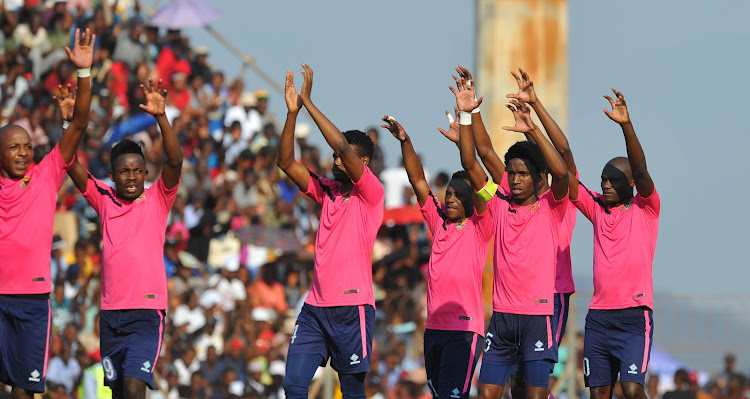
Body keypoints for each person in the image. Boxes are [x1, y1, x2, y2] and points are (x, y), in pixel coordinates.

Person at [448, 72, 570, 399]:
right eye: (511, 173)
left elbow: (561, 171)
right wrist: (467, 113)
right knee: (486, 393)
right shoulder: (498, 202)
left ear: (537, 178)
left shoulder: (551, 207)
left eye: (522, 174)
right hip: (502, 320)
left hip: (536, 319)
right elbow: (474, 159)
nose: (514, 180)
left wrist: (532, 129)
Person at [64, 78, 183, 399]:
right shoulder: (104, 198)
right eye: (124, 172)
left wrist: (161, 118)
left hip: (146, 313)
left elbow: (175, 162)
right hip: (110, 314)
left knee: (134, 388)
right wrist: (68, 122)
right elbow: (69, 164)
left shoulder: (158, 197)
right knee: (118, 393)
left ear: (145, 173)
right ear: (113, 175)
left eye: (136, 171)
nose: (131, 177)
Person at [276, 64, 384, 399]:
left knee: (352, 390)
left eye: (342, 157)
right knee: (293, 385)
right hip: (315, 308)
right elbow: (286, 163)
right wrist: (293, 113)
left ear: (361, 163)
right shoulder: (327, 190)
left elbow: (343, 146)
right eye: (335, 156)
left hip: (352, 308)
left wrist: (309, 101)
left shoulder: (371, 193)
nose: (335, 160)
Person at [0, 27, 94, 399]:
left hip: (33, 301)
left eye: (27, 146)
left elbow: (81, 125)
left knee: (24, 390)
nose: (24, 153)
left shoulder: (45, 176)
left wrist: (84, 74)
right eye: (14, 148)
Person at [381, 115, 491, 399]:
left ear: (470, 201)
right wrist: (406, 142)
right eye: (449, 194)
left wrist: (463, 141)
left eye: (457, 195)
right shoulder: (438, 221)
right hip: (433, 329)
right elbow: (417, 179)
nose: (450, 199)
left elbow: (482, 187)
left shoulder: (481, 225)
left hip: (464, 330)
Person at [570, 89, 659, 399]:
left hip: (635, 315)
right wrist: (535, 118)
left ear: (630, 183)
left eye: (613, 180)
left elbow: (642, 170)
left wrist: (626, 125)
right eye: (603, 180)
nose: (605, 185)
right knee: (599, 394)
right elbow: (565, 173)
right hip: (599, 317)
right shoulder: (596, 208)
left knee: (632, 389)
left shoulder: (645, 208)